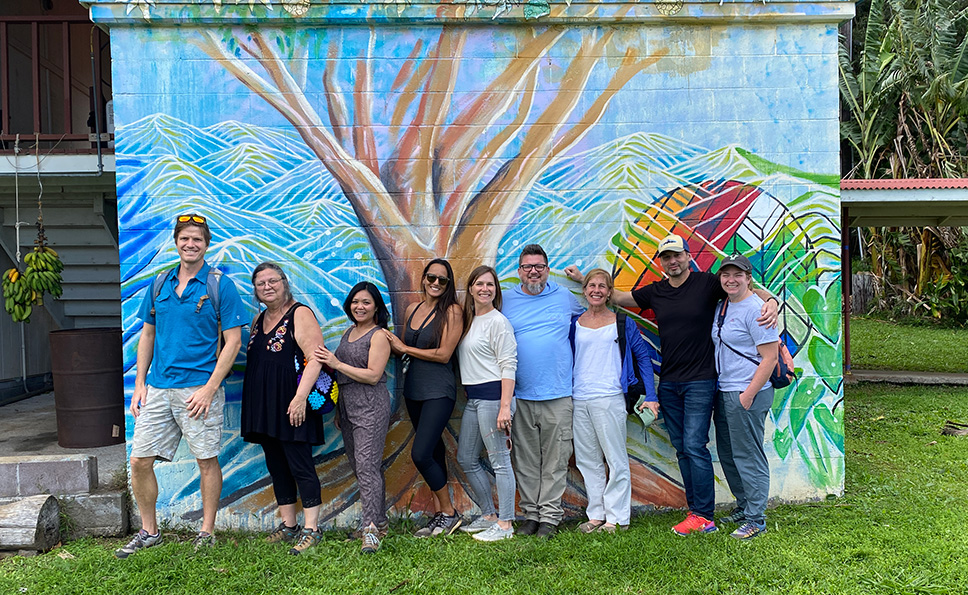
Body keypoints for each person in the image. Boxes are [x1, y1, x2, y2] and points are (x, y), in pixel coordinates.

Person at [565, 234, 777, 535]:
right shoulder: (657, 291)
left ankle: (703, 514)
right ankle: (698, 512)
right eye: (666, 257)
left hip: (702, 381)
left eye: (677, 255)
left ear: (687, 256)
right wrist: (586, 279)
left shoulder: (707, 283)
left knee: (694, 445)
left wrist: (772, 302)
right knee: (682, 448)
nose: (672, 261)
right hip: (670, 382)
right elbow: (617, 297)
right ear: (661, 262)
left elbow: (744, 289)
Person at [118, 214, 246, 558]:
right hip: (158, 388)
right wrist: (141, 383)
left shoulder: (220, 285)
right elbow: (148, 334)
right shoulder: (160, 283)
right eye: (185, 238)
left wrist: (209, 388)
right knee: (139, 461)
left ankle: (206, 532)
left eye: (198, 240)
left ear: (207, 245)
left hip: (198, 390)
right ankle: (150, 530)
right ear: (176, 241)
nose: (191, 245)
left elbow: (233, 342)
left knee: (206, 460)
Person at [241, 262, 325, 555]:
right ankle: (289, 525)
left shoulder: (299, 314)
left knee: (300, 464)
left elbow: (315, 358)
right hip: (265, 406)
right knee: (277, 466)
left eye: (272, 280)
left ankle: (312, 529)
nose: (267, 286)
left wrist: (301, 398)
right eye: (260, 283)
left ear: (284, 282)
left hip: (292, 405)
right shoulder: (258, 319)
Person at [503, 244, 584, 539]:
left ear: (548, 270)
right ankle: (530, 515)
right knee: (525, 460)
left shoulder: (564, 297)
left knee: (555, 459)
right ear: (519, 271)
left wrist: (582, 279)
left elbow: (600, 300)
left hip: (558, 394)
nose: (533, 271)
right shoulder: (506, 300)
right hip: (521, 394)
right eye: (527, 267)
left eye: (539, 266)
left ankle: (549, 517)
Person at [570, 269, 658, 533]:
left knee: (615, 459)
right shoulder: (575, 323)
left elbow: (642, 358)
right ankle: (596, 514)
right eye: (591, 285)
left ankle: (617, 517)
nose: (596, 290)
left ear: (609, 292)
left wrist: (651, 396)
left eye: (602, 286)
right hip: (579, 397)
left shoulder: (622, 322)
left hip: (610, 397)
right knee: (587, 460)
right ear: (584, 290)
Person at [384, 259, 463, 537]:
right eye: (432, 277)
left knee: (420, 453)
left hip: (439, 391)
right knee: (433, 451)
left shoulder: (452, 311)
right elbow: (403, 350)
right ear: (424, 279)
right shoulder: (412, 309)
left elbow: (444, 354)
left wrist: (404, 347)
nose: (436, 284)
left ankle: (449, 513)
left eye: (443, 280)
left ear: (449, 284)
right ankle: (442, 515)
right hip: (414, 390)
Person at [315, 282, 392, 554]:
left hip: (370, 405)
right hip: (348, 406)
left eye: (366, 303)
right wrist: (339, 409)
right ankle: (379, 521)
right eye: (356, 302)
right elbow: (342, 377)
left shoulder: (379, 335)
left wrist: (336, 363)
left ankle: (370, 529)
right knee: (361, 466)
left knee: (367, 467)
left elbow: (373, 375)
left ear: (376, 307)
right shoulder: (350, 332)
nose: (360, 306)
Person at [710, 254, 778, 540]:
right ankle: (744, 505)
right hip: (725, 390)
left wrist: (748, 395)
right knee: (729, 453)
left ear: (749, 278)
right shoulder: (723, 306)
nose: (731, 279)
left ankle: (756, 519)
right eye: (726, 274)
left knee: (748, 455)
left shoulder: (757, 310)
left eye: (738, 274)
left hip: (747, 392)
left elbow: (770, 357)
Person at [456, 265, 518, 542]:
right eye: (479, 284)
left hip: (495, 399)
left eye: (490, 284)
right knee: (466, 458)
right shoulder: (469, 320)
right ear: (470, 288)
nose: (484, 289)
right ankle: (489, 515)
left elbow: (508, 365)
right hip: (474, 398)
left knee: (500, 462)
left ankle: (505, 525)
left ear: (496, 290)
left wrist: (505, 407)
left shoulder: (498, 322)